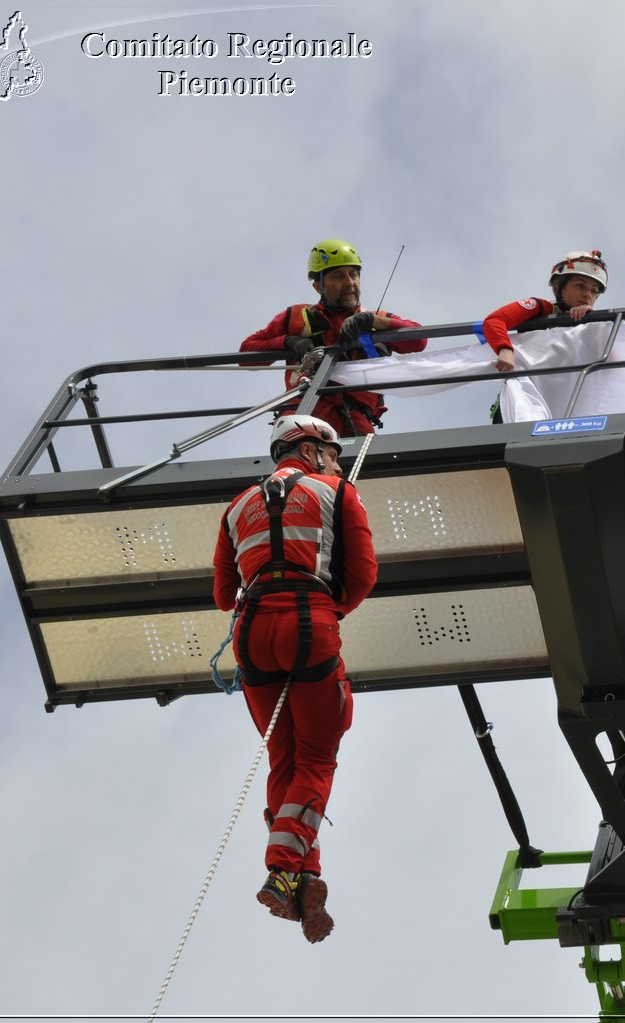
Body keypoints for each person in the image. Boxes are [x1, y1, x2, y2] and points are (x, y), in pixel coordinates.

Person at [212, 414, 378, 942]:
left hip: (252, 634)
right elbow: (363, 575)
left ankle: (304, 873)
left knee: (284, 760)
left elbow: (223, 595)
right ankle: (283, 864)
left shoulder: (236, 507)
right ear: (309, 451)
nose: (335, 462)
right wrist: (332, 612)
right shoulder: (338, 490)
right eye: (330, 453)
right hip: (310, 622)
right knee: (316, 758)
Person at [241, 239, 427, 436]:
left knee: (362, 464)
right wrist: (287, 342)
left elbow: (419, 340)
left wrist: (374, 321)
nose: (349, 282)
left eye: (353, 274)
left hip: (357, 420)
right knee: (298, 459)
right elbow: (246, 355)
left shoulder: (376, 319)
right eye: (338, 276)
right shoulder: (297, 317)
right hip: (304, 413)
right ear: (318, 286)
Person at [480, 250, 608, 374]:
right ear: (559, 287)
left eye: (594, 291)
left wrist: (589, 320)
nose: (587, 295)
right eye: (580, 286)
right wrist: (505, 349)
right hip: (530, 389)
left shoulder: (600, 327)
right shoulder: (543, 308)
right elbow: (495, 320)